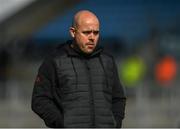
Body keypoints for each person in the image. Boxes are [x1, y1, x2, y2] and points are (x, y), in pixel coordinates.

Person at [31, 10, 126, 128]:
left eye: (96, 33)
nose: (92, 37)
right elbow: (39, 100)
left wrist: (115, 124)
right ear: (73, 32)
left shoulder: (107, 61)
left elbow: (118, 98)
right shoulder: (54, 61)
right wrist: (63, 123)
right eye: (86, 32)